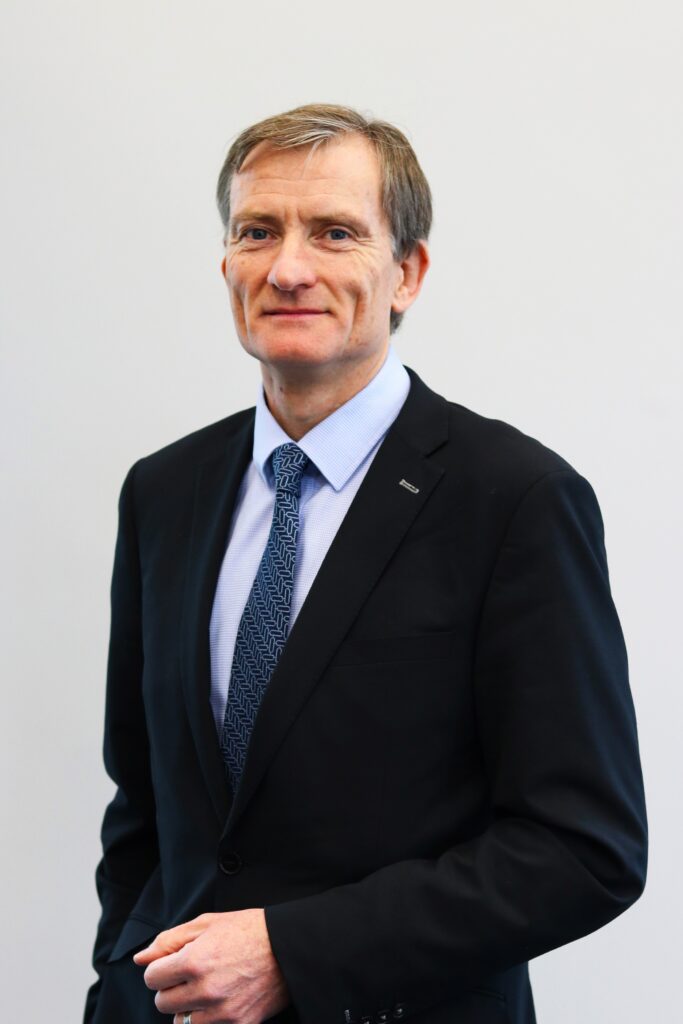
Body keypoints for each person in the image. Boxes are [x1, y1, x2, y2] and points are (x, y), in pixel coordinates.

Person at [84, 103, 647, 1024]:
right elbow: (144, 812)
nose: (287, 268)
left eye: (334, 232)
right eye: (256, 231)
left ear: (406, 274)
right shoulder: (164, 491)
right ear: (226, 264)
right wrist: (117, 983)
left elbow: (584, 849)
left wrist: (293, 953)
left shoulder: (513, 499)